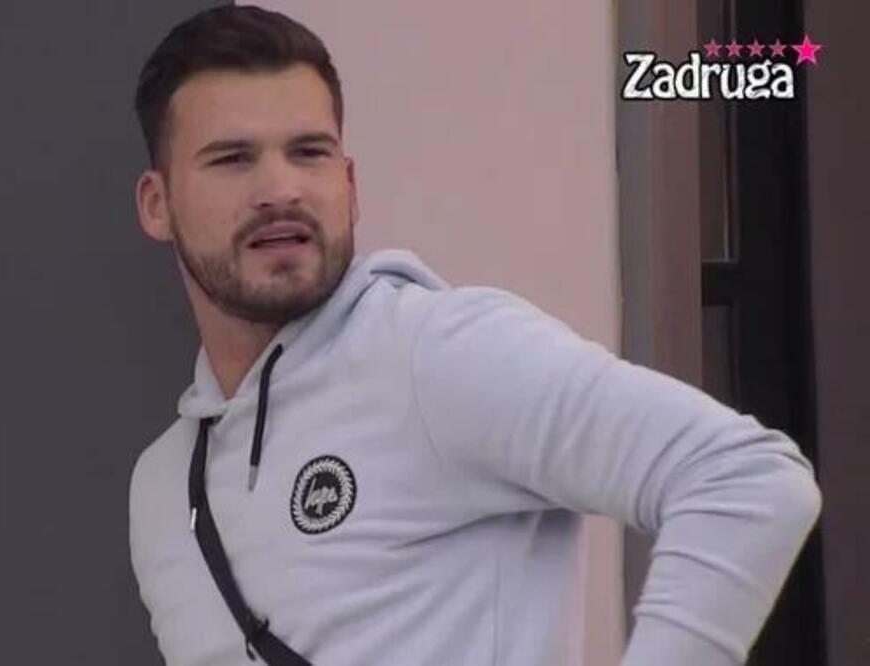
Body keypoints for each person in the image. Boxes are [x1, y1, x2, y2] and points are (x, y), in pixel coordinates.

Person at [128, 6, 821, 665]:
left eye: (309, 152)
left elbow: (743, 477)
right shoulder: (162, 487)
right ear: (157, 205)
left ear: (350, 184)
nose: (281, 189)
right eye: (233, 159)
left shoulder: (437, 354)